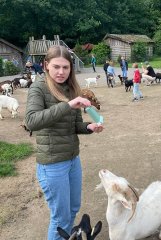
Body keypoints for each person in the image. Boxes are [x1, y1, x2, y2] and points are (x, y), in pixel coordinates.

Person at [25, 45, 103, 240]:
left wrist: (89, 128)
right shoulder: (38, 88)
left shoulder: (71, 89)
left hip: (72, 160)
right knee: (61, 218)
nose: (61, 72)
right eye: (56, 67)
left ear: (71, 68)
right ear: (46, 65)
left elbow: (75, 125)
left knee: (73, 209)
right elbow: (31, 121)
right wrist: (68, 105)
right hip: (52, 164)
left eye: (66, 67)